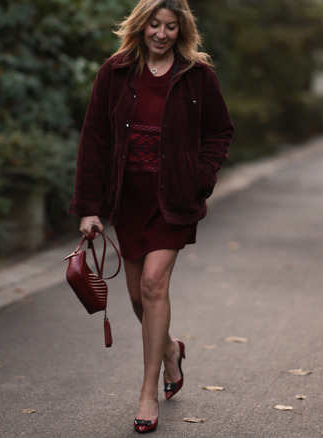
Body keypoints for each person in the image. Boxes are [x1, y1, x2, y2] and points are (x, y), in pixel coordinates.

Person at [69, 0, 233, 433]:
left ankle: (147, 394)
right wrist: (89, 207)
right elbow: (95, 138)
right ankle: (171, 353)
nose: (161, 34)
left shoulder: (197, 75)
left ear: (182, 31)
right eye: (155, 25)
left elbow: (220, 131)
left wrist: (199, 176)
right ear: (141, 26)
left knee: (153, 284)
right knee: (140, 300)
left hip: (174, 200)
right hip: (129, 200)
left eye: (171, 27)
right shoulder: (115, 72)